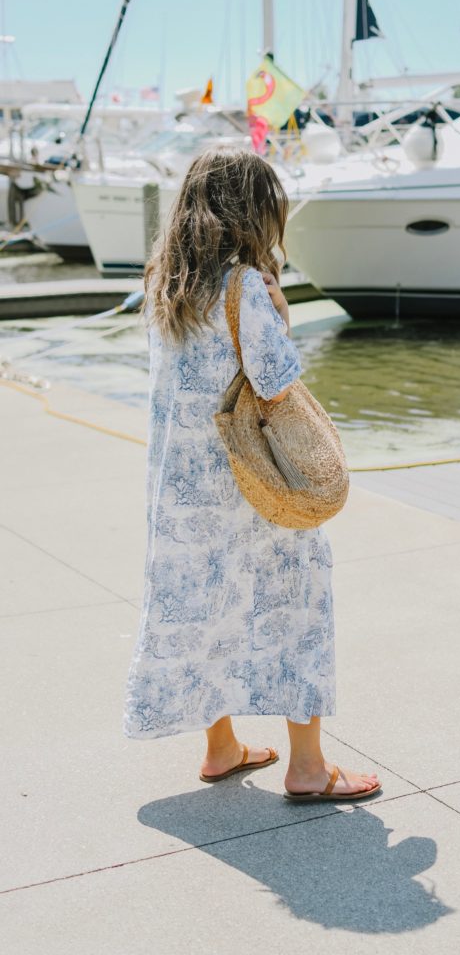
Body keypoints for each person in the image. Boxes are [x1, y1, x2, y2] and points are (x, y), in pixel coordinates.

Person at [123, 146, 381, 802]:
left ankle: (220, 748)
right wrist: (283, 313)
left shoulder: (162, 285)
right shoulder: (242, 286)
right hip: (251, 485)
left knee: (206, 609)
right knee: (296, 605)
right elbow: (274, 380)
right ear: (251, 214)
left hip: (181, 491)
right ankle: (307, 768)